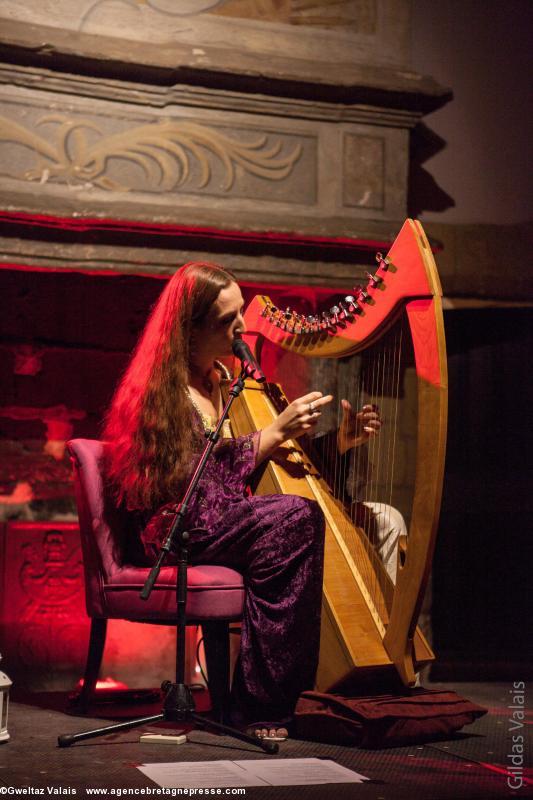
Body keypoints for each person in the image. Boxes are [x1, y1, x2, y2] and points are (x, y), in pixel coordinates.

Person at [103, 261, 385, 739]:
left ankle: (270, 695)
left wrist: (338, 443)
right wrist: (272, 432)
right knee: (294, 517)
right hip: (177, 528)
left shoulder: (223, 379)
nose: (242, 328)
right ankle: (259, 706)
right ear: (187, 332)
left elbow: (260, 470)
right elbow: (193, 483)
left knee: (299, 514)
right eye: (226, 320)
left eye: (241, 314)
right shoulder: (162, 392)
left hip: (221, 519)